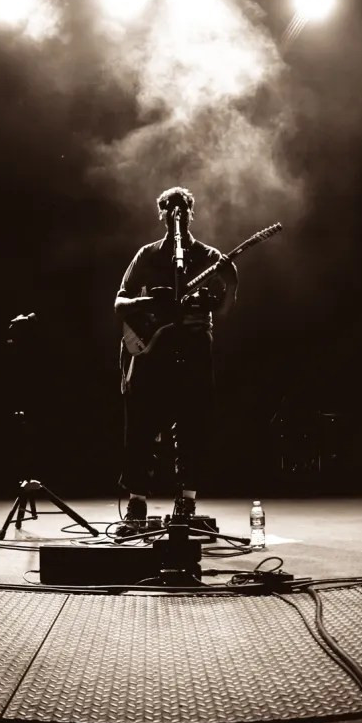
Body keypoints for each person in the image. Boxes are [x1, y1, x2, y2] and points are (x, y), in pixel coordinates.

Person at [113, 186, 238, 536]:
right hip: (152, 351)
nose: (176, 213)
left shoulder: (208, 256)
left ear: (191, 212)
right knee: (141, 425)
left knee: (193, 426)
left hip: (194, 349)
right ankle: (136, 505)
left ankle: (186, 502)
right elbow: (119, 303)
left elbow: (225, 308)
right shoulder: (147, 256)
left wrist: (231, 282)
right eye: (170, 208)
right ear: (161, 213)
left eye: (182, 207)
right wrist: (148, 304)